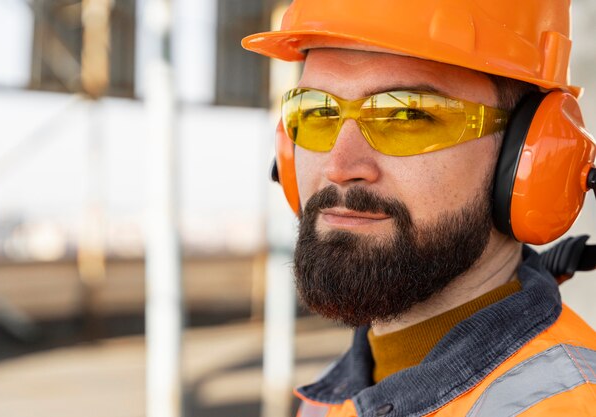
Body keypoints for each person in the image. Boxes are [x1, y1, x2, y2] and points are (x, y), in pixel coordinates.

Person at [243, 1, 596, 416]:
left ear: (527, 162)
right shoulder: (331, 401)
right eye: (318, 111)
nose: (339, 167)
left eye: (407, 114)